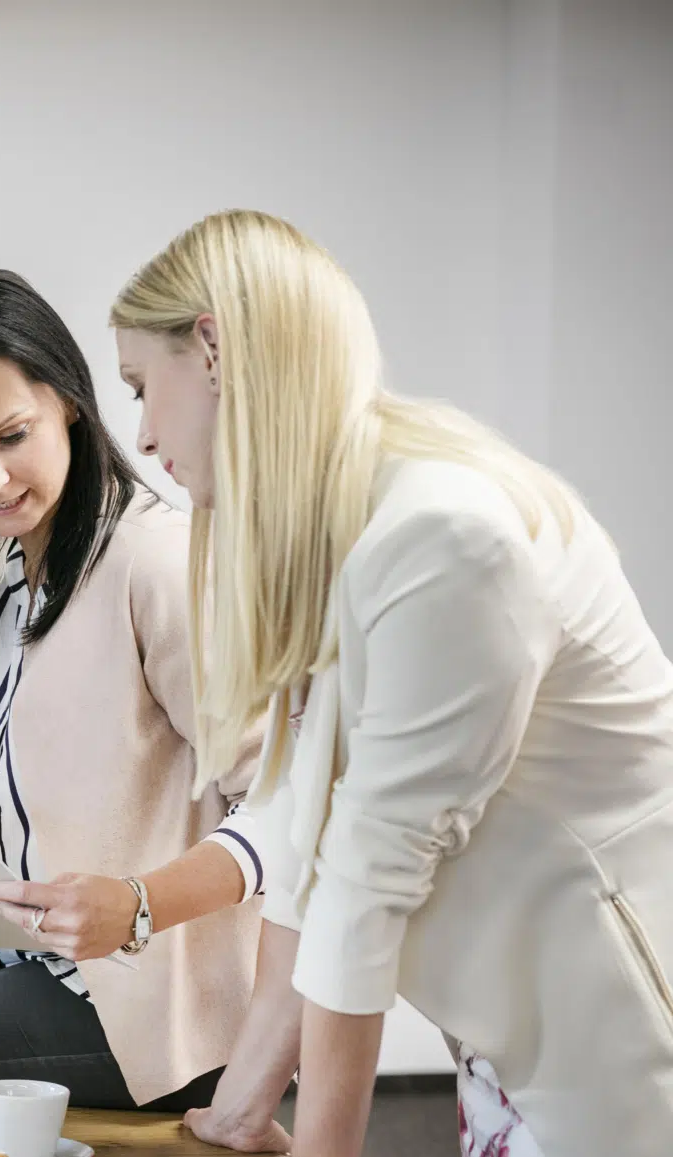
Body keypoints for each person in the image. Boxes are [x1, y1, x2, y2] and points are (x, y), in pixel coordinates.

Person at [113, 208, 673, 1157]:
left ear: (212, 346)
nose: (141, 430)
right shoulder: (355, 529)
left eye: (139, 385)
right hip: (517, 1046)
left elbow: (365, 890)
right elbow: (305, 839)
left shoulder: (441, 536)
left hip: (617, 1056)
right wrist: (243, 1108)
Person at [0, 270, 267, 1113]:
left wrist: (135, 907)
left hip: (147, 1008)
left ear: (67, 398)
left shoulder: (153, 564)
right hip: (44, 978)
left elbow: (282, 805)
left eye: (10, 435)